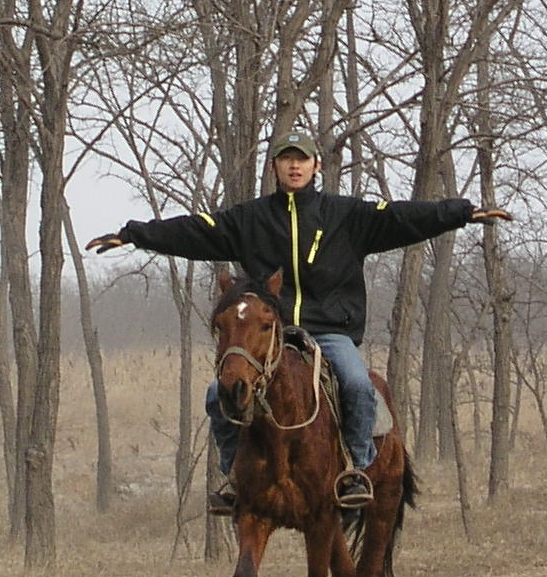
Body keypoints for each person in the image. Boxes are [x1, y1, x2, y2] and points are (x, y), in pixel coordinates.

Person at [88, 133, 508, 511]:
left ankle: (356, 470)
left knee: (360, 387)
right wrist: (133, 234)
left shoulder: (347, 216)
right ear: (274, 168)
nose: (294, 166)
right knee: (218, 394)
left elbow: (402, 217)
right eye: (286, 159)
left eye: (302, 159)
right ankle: (234, 473)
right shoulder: (248, 219)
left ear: (315, 167)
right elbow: (195, 229)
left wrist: (461, 212)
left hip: (330, 331)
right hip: (271, 335)